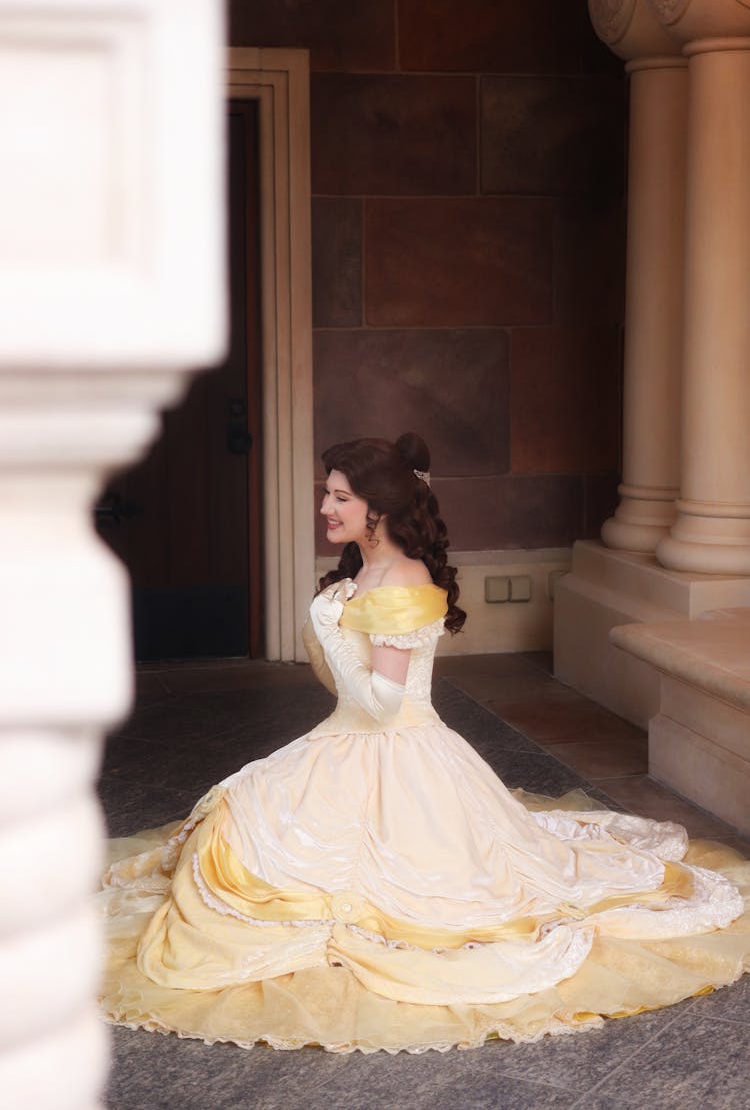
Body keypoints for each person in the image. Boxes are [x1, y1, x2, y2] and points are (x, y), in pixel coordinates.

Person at [99, 433, 750, 1053]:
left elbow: (383, 705)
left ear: (376, 509)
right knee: (232, 830)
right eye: (327, 493)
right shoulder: (366, 571)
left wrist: (327, 628)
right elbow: (348, 697)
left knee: (345, 879)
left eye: (339, 497)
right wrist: (331, 616)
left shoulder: (402, 581)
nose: (325, 507)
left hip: (398, 752)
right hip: (346, 744)